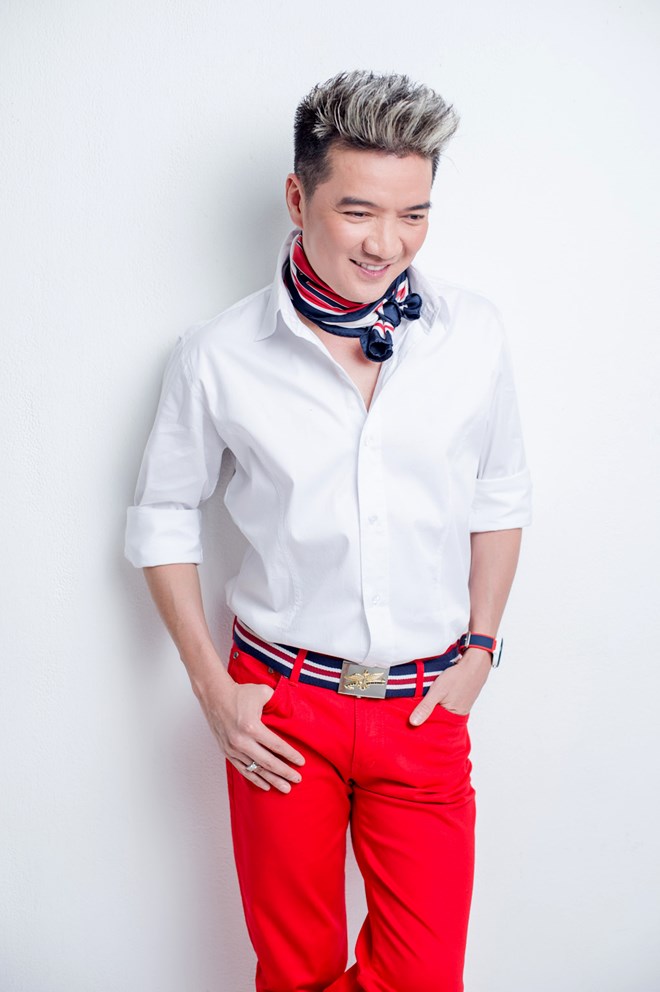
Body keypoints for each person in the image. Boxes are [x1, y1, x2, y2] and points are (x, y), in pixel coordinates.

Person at [125, 70, 532, 992]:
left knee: (423, 977)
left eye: (414, 215)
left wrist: (481, 648)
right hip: (280, 708)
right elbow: (161, 517)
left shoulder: (473, 335)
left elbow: (501, 492)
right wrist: (213, 690)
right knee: (295, 968)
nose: (387, 243)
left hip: (425, 709)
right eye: (359, 211)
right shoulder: (219, 354)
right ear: (296, 197)